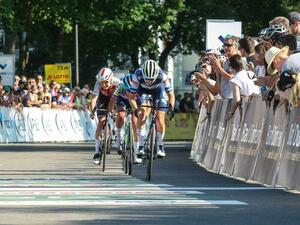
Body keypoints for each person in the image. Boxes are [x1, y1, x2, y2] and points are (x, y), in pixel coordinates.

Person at [127, 59, 175, 158]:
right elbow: (131, 97)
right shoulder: (137, 74)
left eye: (151, 79)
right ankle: (141, 145)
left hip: (158, 90)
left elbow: (171, 94)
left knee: (160, 116)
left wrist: (171, 107)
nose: (149, 82)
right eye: (147, 79)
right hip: (142, 90)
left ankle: (160, 145)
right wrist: (135, 109)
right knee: (142, 112)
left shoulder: (162, 75)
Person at [108, 73, 141, 163]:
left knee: (134, 121)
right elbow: (113, 100)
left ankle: (136, 152)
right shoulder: (120, 86)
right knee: (121, 114)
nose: (128, 92)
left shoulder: (137, 87)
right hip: (122, 100)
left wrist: (139, 111)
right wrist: (111, 111)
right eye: (127, 90)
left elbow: (142, 102)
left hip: (134, 100)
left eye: (130, 90)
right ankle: (118, 137)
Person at [90, 68, 120, 165]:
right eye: (101, 82)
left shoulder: (117, 82)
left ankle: (116, 131)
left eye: (106, 82)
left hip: (115, 99)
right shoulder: (97, 84)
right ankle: (97, 151)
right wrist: (92, 110)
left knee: (118, 115)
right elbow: (94, 98)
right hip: (102, 99)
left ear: (111, 79)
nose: (104, 85)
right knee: (101, 122)